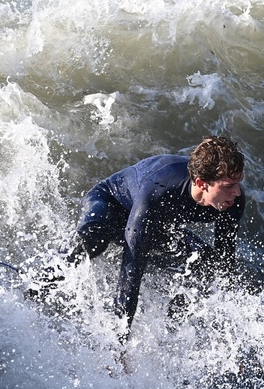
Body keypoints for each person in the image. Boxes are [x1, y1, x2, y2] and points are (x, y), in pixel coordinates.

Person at [56, 135, 246, 338]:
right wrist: (119, 344)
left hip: (156, 224)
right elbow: (132, 271)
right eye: (228, 186)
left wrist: (229, 336)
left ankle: (170, 332)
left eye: (238, 183)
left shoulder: (232, 203)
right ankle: (40, 284)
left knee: (207, 266)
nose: (237, 192)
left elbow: (224, 268)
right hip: (111, 203)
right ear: (202, 183)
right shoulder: (160, 189)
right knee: (93, 238)